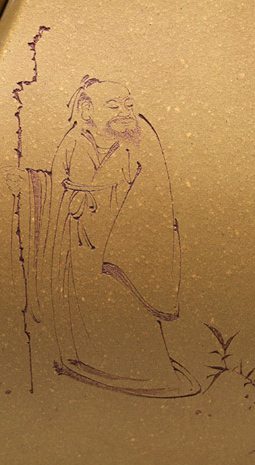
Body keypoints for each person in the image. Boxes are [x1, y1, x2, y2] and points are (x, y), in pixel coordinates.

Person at [35, 76, 199, 398]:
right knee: (83, 297)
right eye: (113, 106)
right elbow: (57, 187)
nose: (124, 112)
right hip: (78, 233)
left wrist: (132, 230)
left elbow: (156, 187)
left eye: (128, 105)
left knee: (125, 295)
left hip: (125, 232)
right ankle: (87, 360)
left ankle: (145, 371)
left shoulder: (139, 136)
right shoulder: (73, 140)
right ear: (87, 110)